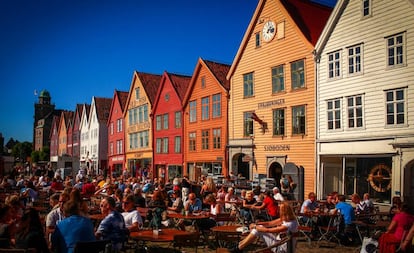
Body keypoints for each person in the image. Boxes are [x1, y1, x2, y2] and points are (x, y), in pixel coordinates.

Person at [230, 202, 298, 253]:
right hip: (280, 243)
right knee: (259, 228)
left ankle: (239, 247)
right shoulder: (289, 219)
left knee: (258, 229)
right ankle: (239, 246)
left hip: (282, 249)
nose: (278, 211)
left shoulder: (289, 224)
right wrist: (256, 224)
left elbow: (268, 230)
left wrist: (255, 226)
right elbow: (269, 223)